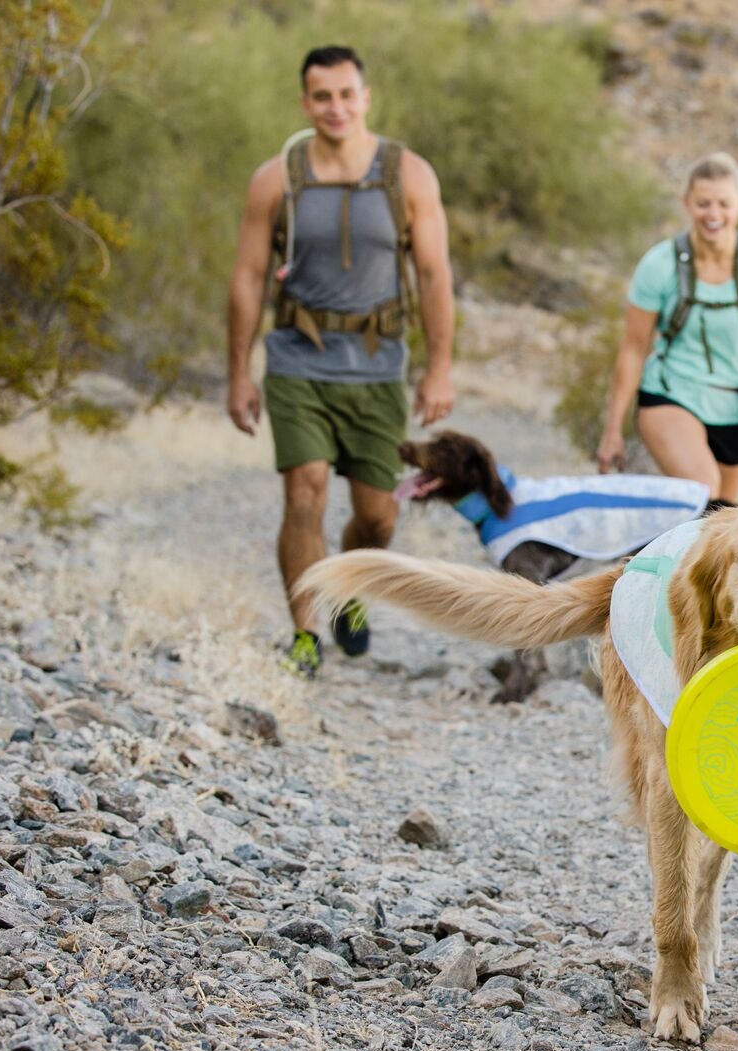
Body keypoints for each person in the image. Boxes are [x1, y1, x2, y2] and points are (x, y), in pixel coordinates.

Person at [225, 45, 456, 679]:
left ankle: (349, 588)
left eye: (346, 95)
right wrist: (238, 372)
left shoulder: (409, 175)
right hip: (300, 360)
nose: (335, 108)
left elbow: (434, 275)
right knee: (305, 492)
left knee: (378, 514)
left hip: (379, 367)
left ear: (365, 97)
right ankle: (304, 637)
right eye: (322, 97)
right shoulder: (278, 178)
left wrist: (439, 368)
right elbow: (247, 278)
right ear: (305, 103)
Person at [595, 153, 738, 505]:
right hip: (671, 392)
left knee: (722, 525)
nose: (713, 214)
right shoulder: (659, 266)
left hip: (734, 408)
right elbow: (634, 348)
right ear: (687, 204)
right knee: (704, 489)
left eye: (723, 204)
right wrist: (612, 431)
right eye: (703, 203)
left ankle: (663, 556)